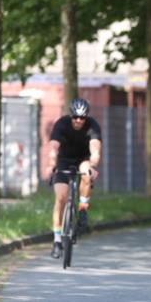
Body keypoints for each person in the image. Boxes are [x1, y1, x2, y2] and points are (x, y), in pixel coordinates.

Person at [45, 98, 102, 259]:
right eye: (75, 117)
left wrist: (93, 165)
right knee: (61, 198)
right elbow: (53, 147)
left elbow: (95, 150)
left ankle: (83, 208)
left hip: (83, 160)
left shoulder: (92, 126)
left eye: (82, 117)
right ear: (70, 116)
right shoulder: (61, 124)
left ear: (86, 117)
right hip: (64, 160)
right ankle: (57, 241)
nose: (79, 121)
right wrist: (51, 164)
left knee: (85, 172)